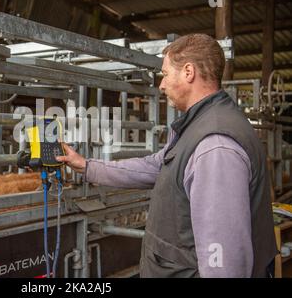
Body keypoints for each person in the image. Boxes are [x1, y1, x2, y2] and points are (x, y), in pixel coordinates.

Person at [56, 34, 278, 278]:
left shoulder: (214, 146)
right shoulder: (199, 126)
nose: (161, 85)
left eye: (165, 74)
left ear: (188, 72)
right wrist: (86, 166)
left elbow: (224, 262)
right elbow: (155, 166)